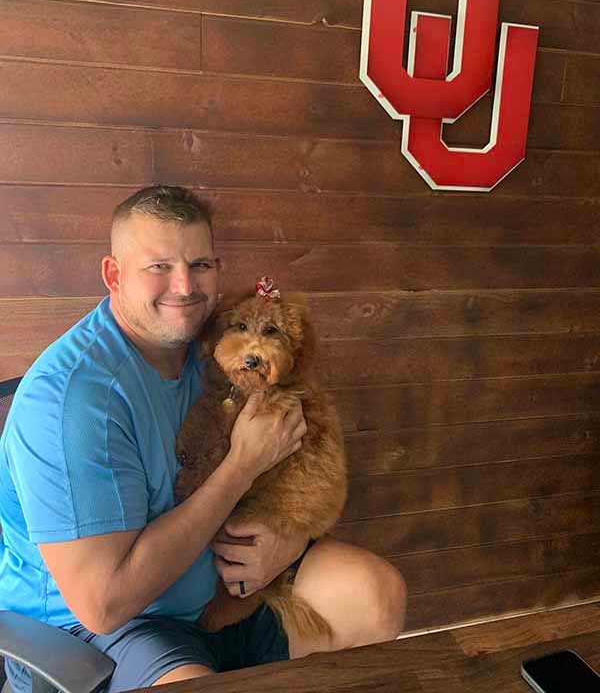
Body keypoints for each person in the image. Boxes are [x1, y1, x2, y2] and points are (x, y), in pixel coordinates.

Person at [0, 185, 407, 691]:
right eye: (159, 266)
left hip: (225, 584)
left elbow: (299, 453)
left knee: (374, 594)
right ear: (114, 275)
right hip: (111, 630)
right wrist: (241, 468)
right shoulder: (73, 403)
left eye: (199, 265)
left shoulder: (216, 348)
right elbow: (104, 604)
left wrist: (288, 539)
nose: (184, 285)